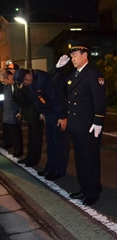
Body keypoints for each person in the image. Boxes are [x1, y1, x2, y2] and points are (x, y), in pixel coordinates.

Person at [54, 39, 106, 205]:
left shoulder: (93, 73)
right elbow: (57, 84)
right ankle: (84, 188)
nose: (73, 58)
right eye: (72, 55)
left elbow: (100, 99)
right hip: (76, 125)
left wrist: (98, 120)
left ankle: (93, 191)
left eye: (75, 55)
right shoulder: (74, 74)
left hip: (89, 126)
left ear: (85, 54)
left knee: (90, 160)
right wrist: (58, 69)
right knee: (81, 160)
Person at [14, 68, 68, 180]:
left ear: (28, 75)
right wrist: (42, 112)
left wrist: (62, 116)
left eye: (24, 81)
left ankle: (58, 170)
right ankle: (50, 168)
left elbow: (59, 97)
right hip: (48, 114)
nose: (24, 84)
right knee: (50, 143)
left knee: (59, 144)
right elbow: (37, 99)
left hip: (56, 114)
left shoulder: (44, 79)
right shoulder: (33, 82)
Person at [13, 69, 44, 167]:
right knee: (31, 137)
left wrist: (41, 112)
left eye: (24, 80)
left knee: (36, 138)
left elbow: (38, 99)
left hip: (36, 114)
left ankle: (34, 159)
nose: (24, 83)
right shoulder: (23, 86)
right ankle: (30, 156)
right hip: (30, 115)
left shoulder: (36, 82)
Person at [0, 68, 23, 157]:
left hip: (14, 114)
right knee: (12, 134)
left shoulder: (17, 85)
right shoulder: (6, 86)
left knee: (16, 134)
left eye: (4, 80)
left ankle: (18, 151)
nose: (3, 83)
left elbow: (21, 100)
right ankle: (15, 149)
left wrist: (20, 111)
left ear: (9, 77)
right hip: (7, 114)